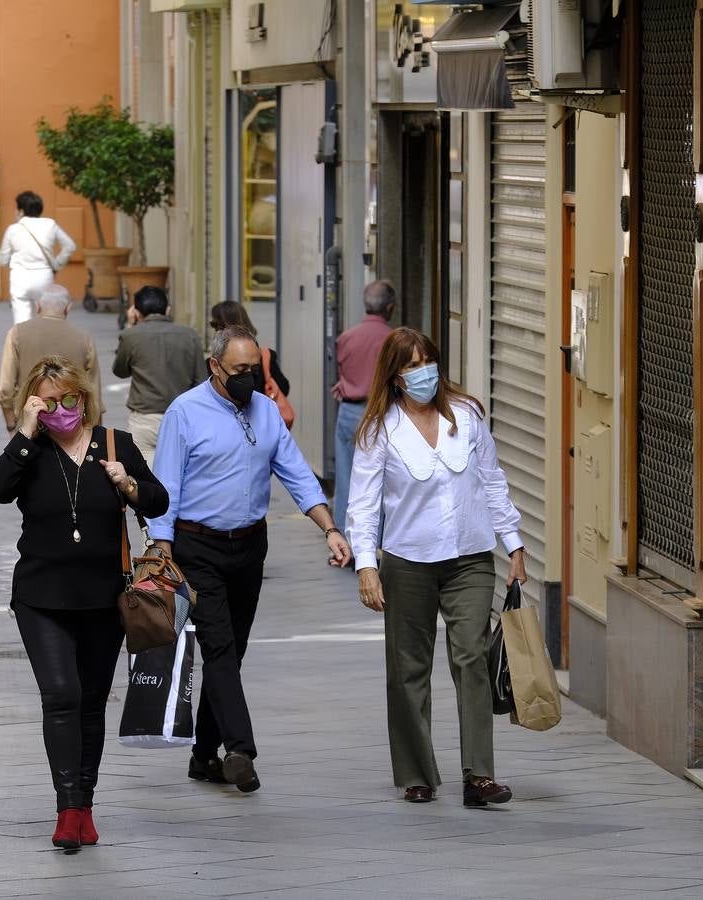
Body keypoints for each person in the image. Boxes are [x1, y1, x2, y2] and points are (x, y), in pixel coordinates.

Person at [150, 325, 352, 793]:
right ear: (214, 367)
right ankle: (240, 750)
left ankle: (203, 756)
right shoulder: (186, 412)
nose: (249, 379)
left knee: (232, 651)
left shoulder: (264, 411)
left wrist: (330, 529)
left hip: (249, 547)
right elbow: (167, 486)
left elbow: (298, 474)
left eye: (254, 370)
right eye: (239, 370)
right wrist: (162, 548)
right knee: (218, 648)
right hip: (197, 547)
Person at [0, 356, 168, 850]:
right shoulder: (32, 451)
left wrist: (127, 484)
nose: (62, 410)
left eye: (70, 399)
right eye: (48, 402)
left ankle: (84, 803)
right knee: (61, 695)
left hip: (104, 598)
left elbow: (158, 499)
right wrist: (24, 430)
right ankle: (67, 808)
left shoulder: (115, 444)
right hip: (41, 598)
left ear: (84, 399)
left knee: (90, 703)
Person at [346, 326, 525, 808]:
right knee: (408, 669)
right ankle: (415, 772)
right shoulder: (379, 431)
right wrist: (366, 565)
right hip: (408, 562)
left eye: (428, 360)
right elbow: (362, 506)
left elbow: (492, 481)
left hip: (470, 557)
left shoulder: (466, 416)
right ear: (395, 375)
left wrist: (515, 545)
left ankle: (480, 776)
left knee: (471, 657)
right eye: (411, 364)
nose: (423, 371)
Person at [112, 285, 204, 461]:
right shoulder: (190, 335)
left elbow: (120, 371)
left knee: (145, 478)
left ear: (136, 312)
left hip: (144, 418)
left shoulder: (131, 335)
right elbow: (200, 380)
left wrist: (131, 326)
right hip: (182, 416)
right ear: (168, 309)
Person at [0, 284, 104, 432]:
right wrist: (96, 431)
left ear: (38, 306)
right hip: (70, 424)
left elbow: (5, 388)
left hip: (31, 421)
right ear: (68, 307)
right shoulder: (84, 339)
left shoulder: (17, 334)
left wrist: (11, 425)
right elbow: (93, 390)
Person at [332, 280, 396, 516]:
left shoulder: (347, 337)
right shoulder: (393, 340)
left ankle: (342, 540)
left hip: (349, 411)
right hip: (381, 412)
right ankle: (374, 541)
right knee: (379, 479)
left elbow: (342, 373)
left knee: (346, 475)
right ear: (390, 307)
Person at [0, 190, 77, 325]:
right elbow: (70, 246)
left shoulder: (13, 229)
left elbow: (2, 260)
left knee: (21, 323)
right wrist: (57, 263)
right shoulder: (50, 225)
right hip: (44, 276)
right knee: (47, 319)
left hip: (20, 278)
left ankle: (24, 344)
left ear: (21, 211)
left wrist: (14, 261)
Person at [208, 300, 290, 396]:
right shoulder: (216, 363)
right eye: (240, 369)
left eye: (254, 368)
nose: (217, 332)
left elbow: (283, 388)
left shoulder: (266, 357)